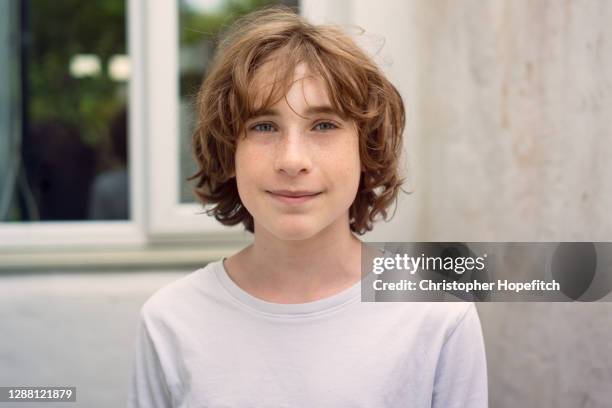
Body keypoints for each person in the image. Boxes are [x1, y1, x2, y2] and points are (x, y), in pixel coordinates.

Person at [127, 6, 487, 407]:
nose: (292, 159)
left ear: (365, 149)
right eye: (264, 126)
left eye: (324, 125)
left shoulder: (437, 312)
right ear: (228, 150)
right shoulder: (171, 320)